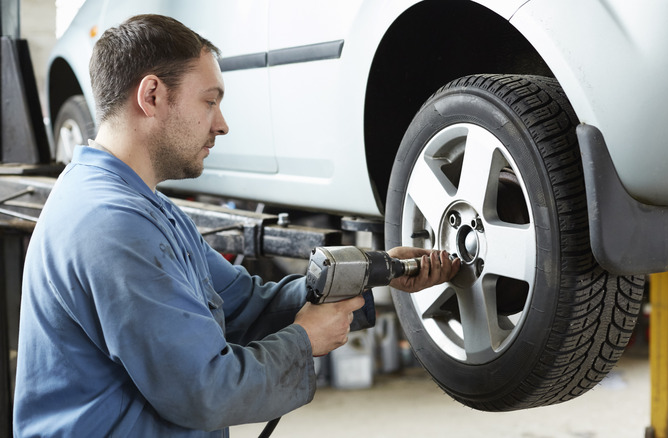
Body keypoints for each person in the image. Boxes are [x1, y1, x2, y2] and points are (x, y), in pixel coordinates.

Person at [13, 14, 459, 437]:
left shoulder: (143, 206)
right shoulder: (111, 225)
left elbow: (244, 305)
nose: (222, 125)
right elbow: (205, 390)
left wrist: (374, 274)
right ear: (151, 96)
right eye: (209, 101)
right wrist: (305, 339)